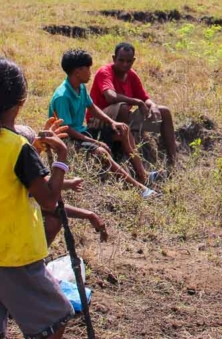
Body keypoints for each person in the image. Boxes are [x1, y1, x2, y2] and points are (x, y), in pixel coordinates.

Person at [0, 56, 74, 339]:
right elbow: (49, 200)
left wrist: (32, 150)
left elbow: (3, 174)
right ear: (22, 100)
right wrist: (61, 158)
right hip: (11, 253)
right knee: (56, 320)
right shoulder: (19, 149)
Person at [49, 49, 160, 199]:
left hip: (82, 132)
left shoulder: (80, 87)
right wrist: (93, 141)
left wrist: (112, 122)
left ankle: (143, 175)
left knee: (123, 130)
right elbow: (67, 129)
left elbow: (92, 107)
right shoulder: (62, 96)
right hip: (67, 139)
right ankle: (140, 188)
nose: (90, 72)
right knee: (101, 151)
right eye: (87, 68)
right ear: (77, 72)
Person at [15, 125, 108, 245]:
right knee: (52, 220)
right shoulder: (17, 170)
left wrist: (69, 184)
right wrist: (61, 153)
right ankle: (30, 260)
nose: (41, 149)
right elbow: (49, 204)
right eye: (36, 147)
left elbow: (41, 184)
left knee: (52, 221)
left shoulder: (16, 164)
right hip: (6, 231)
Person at [89, 42, 177, 166]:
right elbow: (110, 97)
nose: (125, 64)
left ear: (133, 61)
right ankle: (123, 154)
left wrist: (153, 106)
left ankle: (173, 161)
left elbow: (145, 98)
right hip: (99, 121)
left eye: (129, 61)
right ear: (114, 58)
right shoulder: (105, 72)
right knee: (123, 107)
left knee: (164, 111)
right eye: (121, 60)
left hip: (122, 119)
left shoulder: (131, 75)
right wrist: (137, 102)